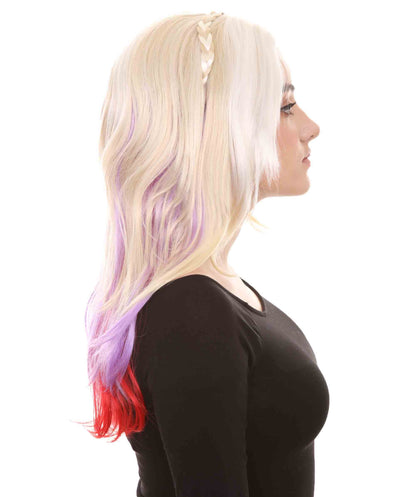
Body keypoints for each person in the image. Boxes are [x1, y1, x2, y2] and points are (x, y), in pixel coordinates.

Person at [84, 11, 328, 497]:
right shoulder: (191, 310)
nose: (311, 127)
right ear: (218, 128)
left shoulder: (213, 294)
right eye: (285, 106)